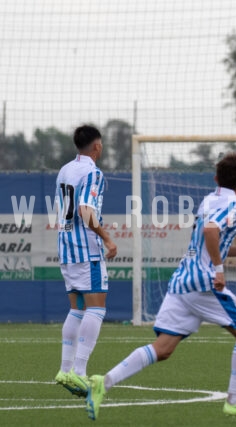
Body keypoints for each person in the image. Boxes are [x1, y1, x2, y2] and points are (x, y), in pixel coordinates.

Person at [84, 153, 236, 420]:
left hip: (182, 279)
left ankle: (104, 381)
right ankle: (235, 401)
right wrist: (219, 270)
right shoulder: (235, 204)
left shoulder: (209, 199)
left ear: (216, 178)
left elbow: (210, 237)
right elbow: (210, 232)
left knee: (163, 348)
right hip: (203, 283)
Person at [54, 125, 118, 398]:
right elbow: (85, 210)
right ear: (97, 146)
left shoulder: (65, 170)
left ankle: (64, 370)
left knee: (77, 308)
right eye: (101, 144)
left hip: (66, 247)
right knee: (97, 307)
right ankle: (78, 372)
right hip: (85, 250)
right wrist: (107, 238)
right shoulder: (93, 172)